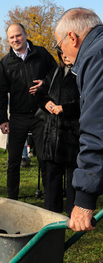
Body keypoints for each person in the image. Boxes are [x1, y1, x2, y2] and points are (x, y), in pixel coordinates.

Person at [0, 23, 57, 200]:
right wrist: (3, 119)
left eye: (18, 35)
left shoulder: (41, 53)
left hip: (41, 114)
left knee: (45, 159)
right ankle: (12, 199)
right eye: (12, 37)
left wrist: (45, 83)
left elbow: (57, 75)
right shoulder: (5, 62)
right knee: (14, 161)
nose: (15, 40)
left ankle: (51, 199)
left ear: (25, 34)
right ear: (8, 40)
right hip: (18, 117)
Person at [54, 7, 103, 231]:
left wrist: (83, 200)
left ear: (72, 37)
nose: (61, 52)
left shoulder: (95, 57)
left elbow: (97, 124)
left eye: (59, 44)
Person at [35, 50, 80, 216]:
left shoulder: (83, 72)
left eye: (68, 53)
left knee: (73, 176)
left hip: (73, 133)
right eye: (62, 54)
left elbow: (89, 101)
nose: (65, 56)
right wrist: (46, 102)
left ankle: (73, 213)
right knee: (52, 175)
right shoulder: (55, 72)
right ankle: (52, 213)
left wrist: (66, 108)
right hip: (53, 133)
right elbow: (40, 92)